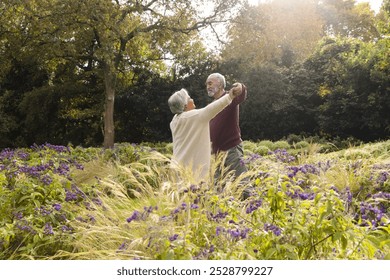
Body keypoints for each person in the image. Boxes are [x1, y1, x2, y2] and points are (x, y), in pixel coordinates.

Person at [168, 86, 242, 182]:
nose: (192, 99)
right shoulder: (195, 116)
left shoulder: (174, 121)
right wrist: (231, 95)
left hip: (176, 167)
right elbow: (214, 107)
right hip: (192, 171)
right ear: (185, 105)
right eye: (189, 98)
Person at [206, 73, 251, 196]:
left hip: (231, 150)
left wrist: (240, 87)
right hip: (215, 154)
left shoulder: (229, 97)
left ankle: (252, 211)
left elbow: (241, 94)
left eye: (210, 83)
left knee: (243, 187)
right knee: (216, 190)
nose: (207, 86)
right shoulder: (212, 105)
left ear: (220, 84)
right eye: (207, 84)